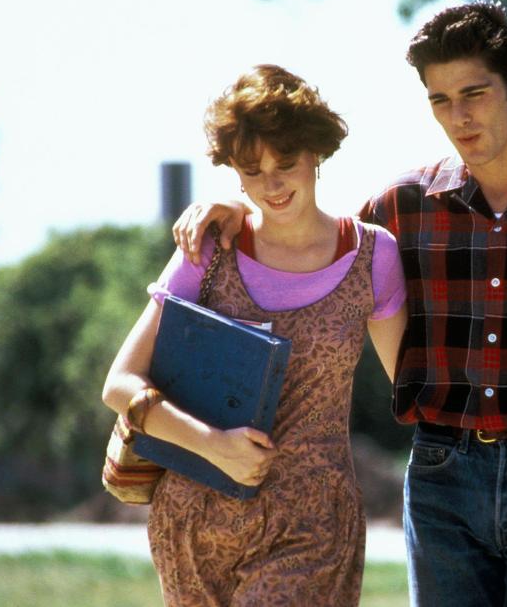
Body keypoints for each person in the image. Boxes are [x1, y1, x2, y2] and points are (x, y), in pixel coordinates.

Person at [175, 2, 507, 607]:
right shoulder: (402, 207)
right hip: (442, 480)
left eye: (473, 93)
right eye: (440, 100)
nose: (459, 116)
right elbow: (312, 241)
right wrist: (240, 213)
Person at [102, 64, 407, 606]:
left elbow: (411, 387)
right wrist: (214, 446)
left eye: (286, 163)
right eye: (252, 170)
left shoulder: (373, 255)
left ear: (317, 153)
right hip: (192, 519)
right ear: (234, 173)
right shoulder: (208, 247)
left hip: (312, 526)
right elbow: (120, 383)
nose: (272, 185)